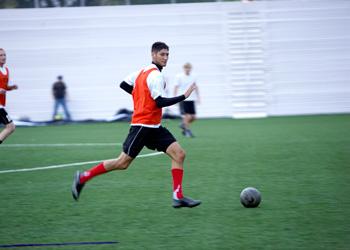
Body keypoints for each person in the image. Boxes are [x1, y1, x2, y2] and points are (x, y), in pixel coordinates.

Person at [72, 42, 201, 208]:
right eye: (162, 54)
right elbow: (160, 102)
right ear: (153, 55)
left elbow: (124, 84)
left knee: (179, 154)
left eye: (167, 54)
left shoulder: (140, 72)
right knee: (122, 163)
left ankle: (178, 196)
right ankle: (83, 177)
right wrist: (184, 96)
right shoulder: (155, 75)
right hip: (142, 126)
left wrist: (140, 98)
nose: (165, 58)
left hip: (154, 127)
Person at [174, 63, 200, 137]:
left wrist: (198, 97)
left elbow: (195, 86)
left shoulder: (194, 76)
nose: (187, 69)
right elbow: (176, 87)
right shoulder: (179, 76)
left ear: (190, 69)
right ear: (184, 68)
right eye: (186, 68)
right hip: (183, 98)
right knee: (187, 116)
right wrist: (175, 98)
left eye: (189, 68)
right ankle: (187, 131)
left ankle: (183, 124)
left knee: (194, 117)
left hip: (192, 99)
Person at [0, 48, 18, 145]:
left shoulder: (6, 70)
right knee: (10, 127)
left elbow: (5, 87)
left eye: (4, 55)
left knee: (10, 127)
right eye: (1, 55)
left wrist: (11, 87)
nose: (3, 57)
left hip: (2, 103)